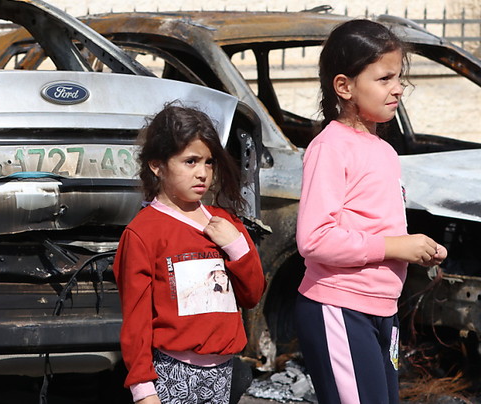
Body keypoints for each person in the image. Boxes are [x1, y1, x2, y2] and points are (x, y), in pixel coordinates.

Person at [294, 19, 448, 404]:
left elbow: (378, 225)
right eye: (384, 79)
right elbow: (314, 239)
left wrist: (419, 249)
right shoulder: (330, 148)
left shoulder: (385, 151)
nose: (397, 88)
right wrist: (394, 247)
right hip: (339, 305)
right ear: (344, 86)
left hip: (381, 310)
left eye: (399, 78)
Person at [113, 103, 266, 403]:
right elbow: (136, 321)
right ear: (157, 166)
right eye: (190, 161)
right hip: (171, 373)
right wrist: (143, 390)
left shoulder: (225, 223)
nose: (202, 173)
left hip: (223, 372)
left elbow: (252, 294)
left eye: (209, 162)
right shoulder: (143, 232)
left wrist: (236, 246)